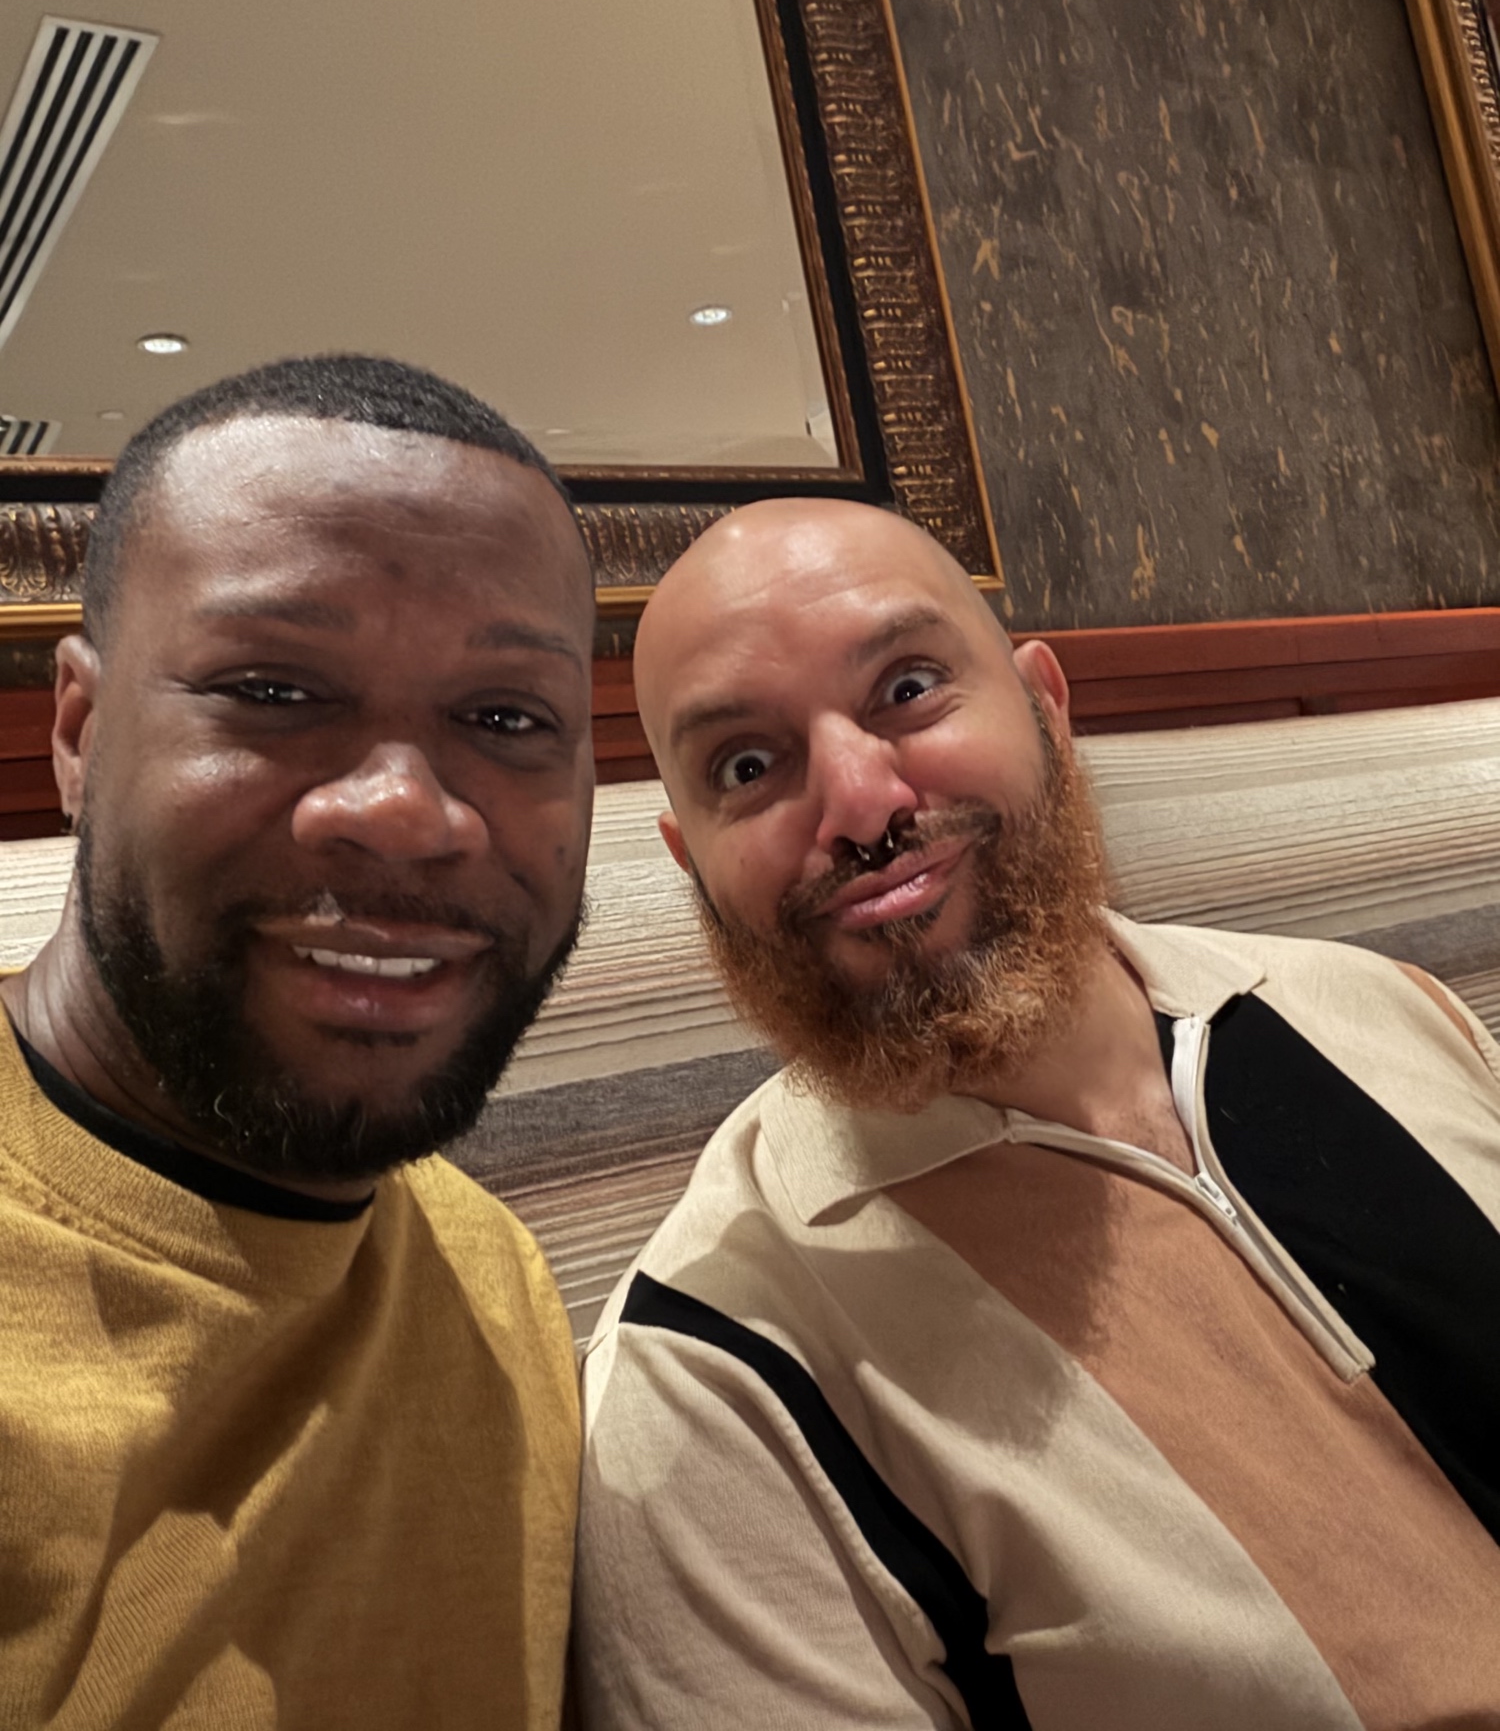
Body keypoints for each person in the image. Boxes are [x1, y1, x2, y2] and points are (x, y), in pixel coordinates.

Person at [576, 496, 1500, 1729]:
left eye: (908, 688)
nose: (860, 801)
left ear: (1045, 705)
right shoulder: (709, 1380)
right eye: (747, 766)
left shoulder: (1384, 1010)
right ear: (692, 864)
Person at [0, 356, 595, 1729]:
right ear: (79, 733)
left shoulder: (495, 1281)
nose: (403, 810)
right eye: (273, 689)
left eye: (506, 718)